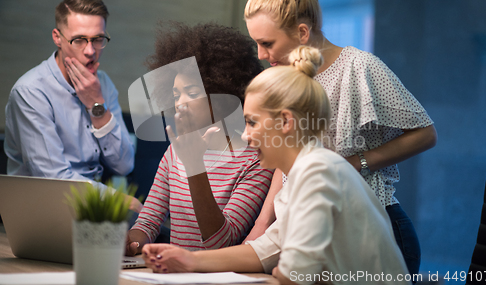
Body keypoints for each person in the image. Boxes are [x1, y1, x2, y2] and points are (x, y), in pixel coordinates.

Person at [140, 46, 411, 285]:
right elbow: (264, 251)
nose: (246, 135)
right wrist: (188, 260)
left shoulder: (318, 173)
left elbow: (292, 276)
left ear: (285, 122)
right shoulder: (304, 175)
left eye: (252, 122)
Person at [242, 0, 438, 278]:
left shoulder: (359, 67)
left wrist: (355, 163)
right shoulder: (290, 81)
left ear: (303, 33)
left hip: (374, 229)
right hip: (312, 226)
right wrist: (263, 224)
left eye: (267, 43)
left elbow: (425, 133)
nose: (262, 55)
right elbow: (288, 154)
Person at [125, 22, 273, 255]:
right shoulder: (175, 152)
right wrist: (129, 243)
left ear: (221, 96)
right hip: (173, 274)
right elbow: (148, 223)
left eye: (192, 93)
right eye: (175, 94)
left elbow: (221, 242)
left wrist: (194, 165)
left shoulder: (254, 160)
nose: (180, 102)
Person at [4, 0, 139, 209]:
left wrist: (96, 105)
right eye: (78, 40)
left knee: (160, 235)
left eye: (97, 39)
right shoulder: (30, 91)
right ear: (57, 37)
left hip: (91, 206)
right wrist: (121, 201)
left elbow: (124, 165)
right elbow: (54, 179)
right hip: (44, 208)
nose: (90, 51)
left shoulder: (103, 84)